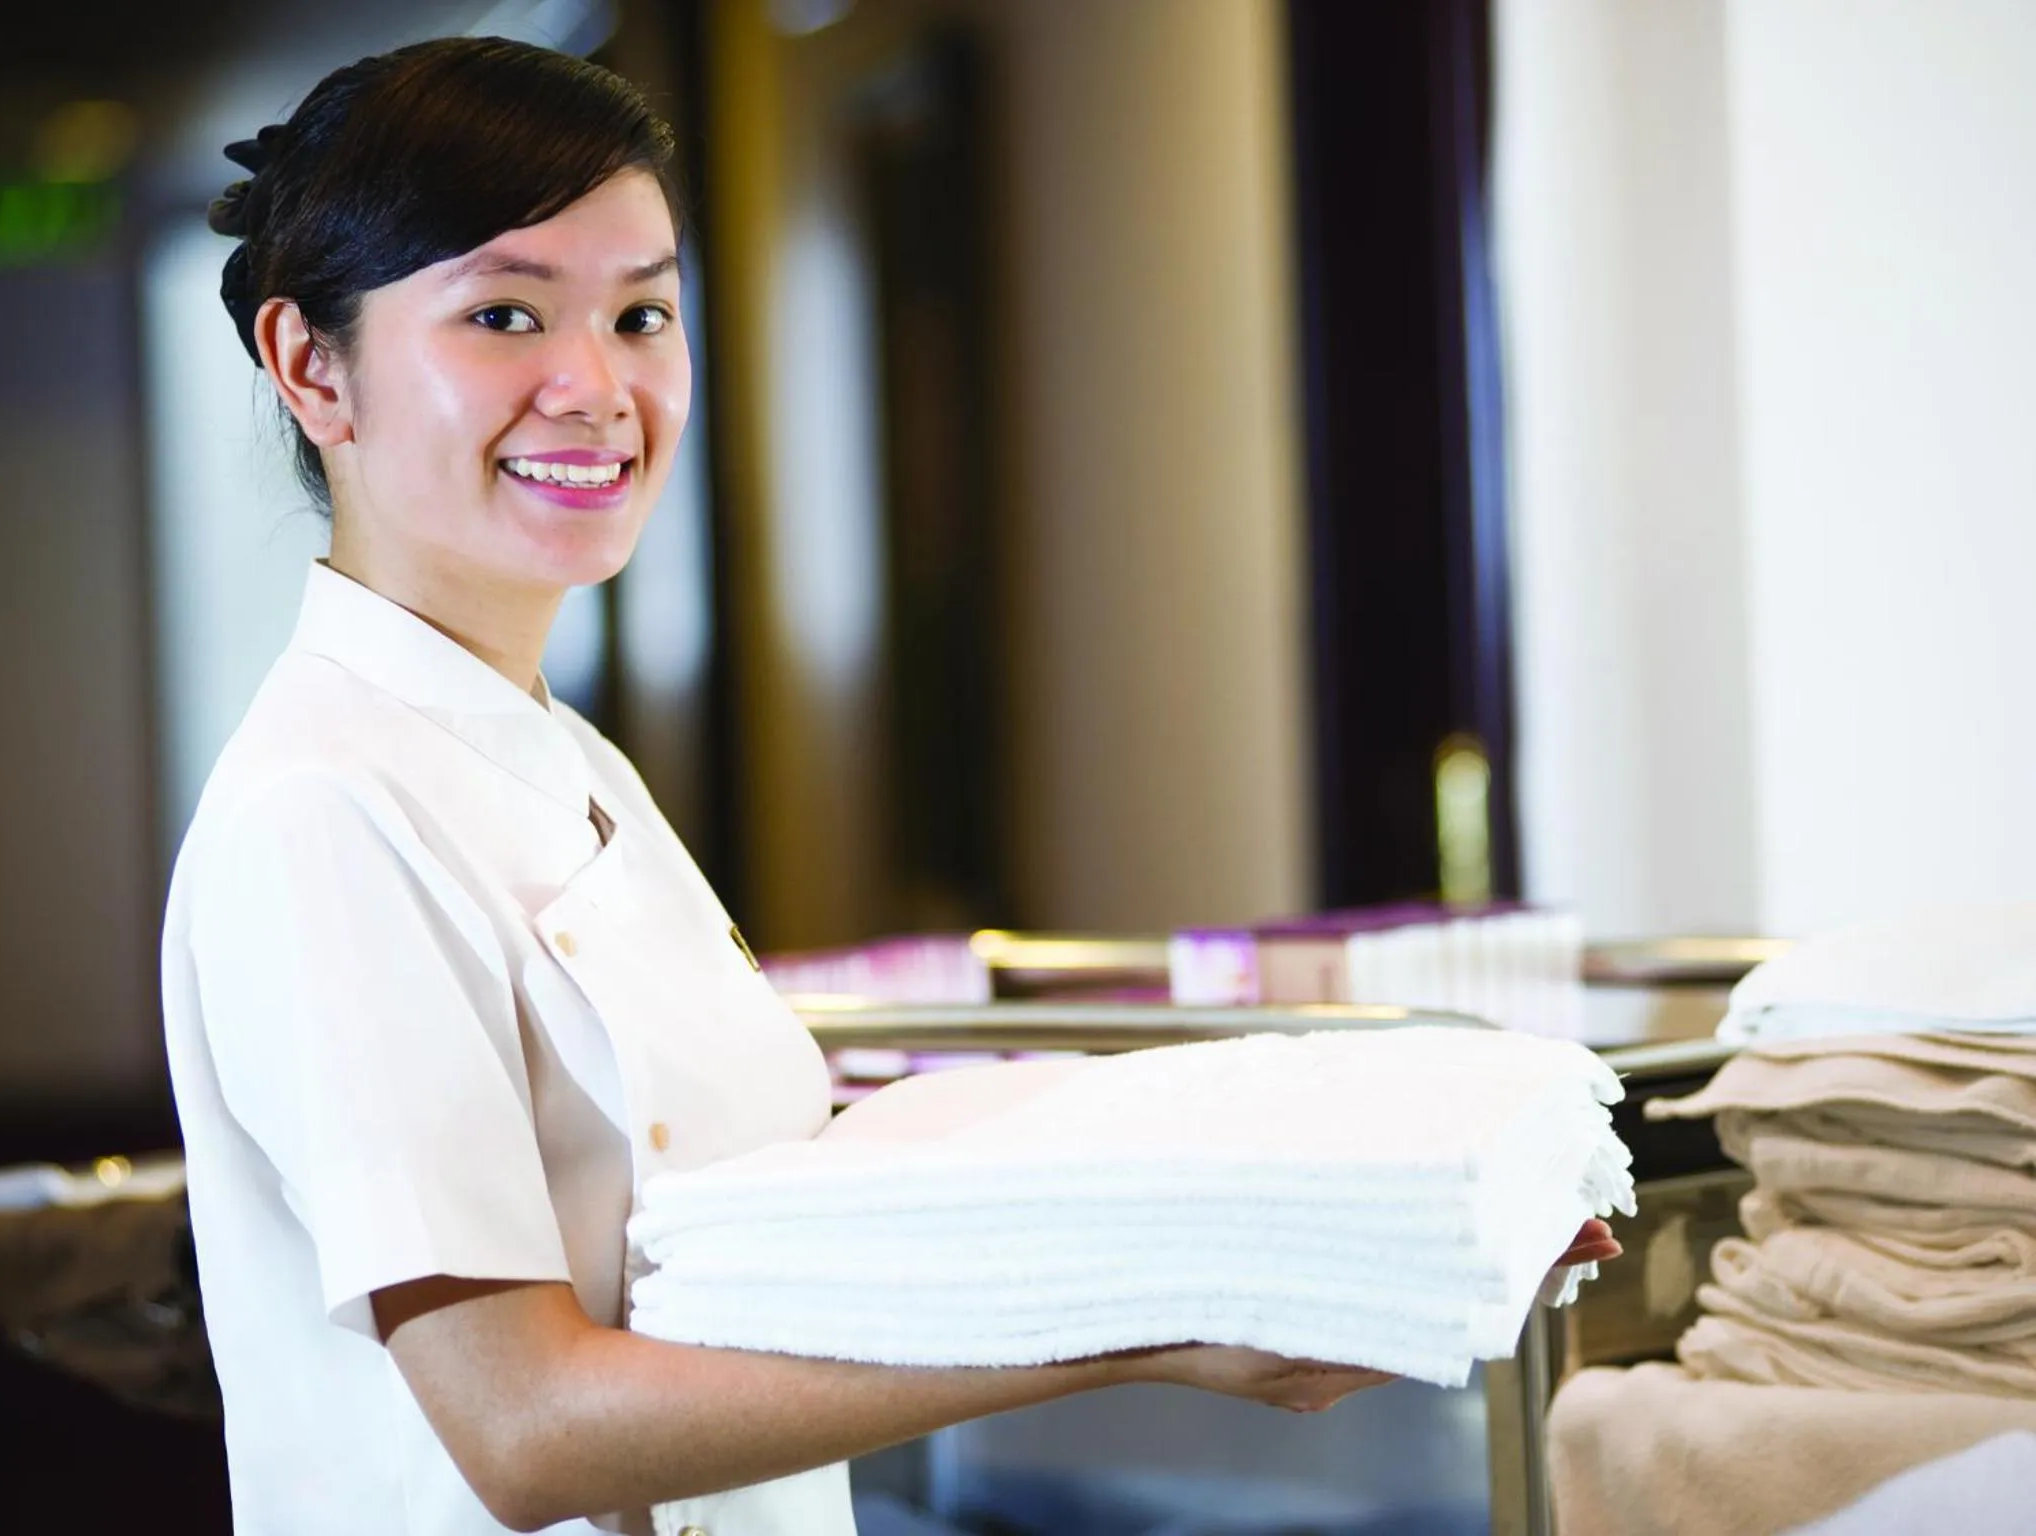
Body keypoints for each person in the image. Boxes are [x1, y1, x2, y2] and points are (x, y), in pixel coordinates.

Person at [160, 35, 1622, 1536]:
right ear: (310, 366)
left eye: (644, 312)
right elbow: (526, 1431)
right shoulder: (321, 812)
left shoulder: (560, 759)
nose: (597, 388)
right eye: (505, 314)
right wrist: (1149, 1332)